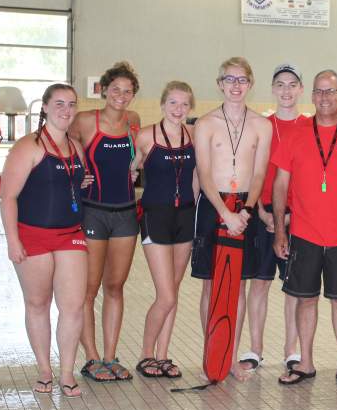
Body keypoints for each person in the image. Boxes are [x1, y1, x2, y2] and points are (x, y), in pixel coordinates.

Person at [273, 69, 337, 389]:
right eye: (319, 92)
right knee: (305, 300)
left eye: (331, 92)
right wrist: (279, 230)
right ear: (311, 95)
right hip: (304, 234)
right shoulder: (296, 134)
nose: (324, 98)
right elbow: (279, 186)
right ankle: (305, 361)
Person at [0, 83, 93, 397]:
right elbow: (9, 197)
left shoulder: (76, 146)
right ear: (44, 107)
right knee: (38, 304)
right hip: (33, 234)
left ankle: (66, 372)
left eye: (71, 104)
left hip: (70, 234)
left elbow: (71, 184)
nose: (66, 111)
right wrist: (13, 241)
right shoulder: (28, 146)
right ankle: (44, 369)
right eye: (59, 104)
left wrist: (82, 182)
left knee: (73, 307)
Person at [191, 57, 271, 381]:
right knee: (212, 284)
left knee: (237, 284)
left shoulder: (261, 125)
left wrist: (246, 212)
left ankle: (231, 357)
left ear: (250, 84)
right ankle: (212, 355)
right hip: (213, 205)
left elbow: (261, 171)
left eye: (242, 80)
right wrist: (225, 213)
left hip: (245, 207)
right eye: (230, 79)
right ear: (220, 84)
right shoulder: (206, 124)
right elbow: (204, 172)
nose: (236, 86)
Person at [70, 61, 141, 382]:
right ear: (104, 90)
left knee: (115, 287)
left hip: (126, 212)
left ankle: (111, 356)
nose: (121, 96)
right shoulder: (85, 121)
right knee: (89, 289)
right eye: (116, 90)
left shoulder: (134, 122)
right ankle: (92, 358)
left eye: (128, 91)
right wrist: (75, 175)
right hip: (93, 211)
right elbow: (61, 148)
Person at [131, 81, 198, 378]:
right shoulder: (145, 136)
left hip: (185, 216)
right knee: (166, 295)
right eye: (173, 103)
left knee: (174, 291)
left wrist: (196, 210)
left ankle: (163, 355)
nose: (178, 109)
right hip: (155, 216)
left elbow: (197, 176)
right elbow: (130, 171)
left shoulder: (194, 136)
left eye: (184, 104)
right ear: (162, 104)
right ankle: (146, 355)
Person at [253, 64, 309, 370]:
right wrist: (262, 212)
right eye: (280, 85)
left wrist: (290, 217)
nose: (286, 91)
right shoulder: (262, 126)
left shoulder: (310, 127)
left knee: (294, 287)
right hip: (263, 213)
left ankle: (292, 349)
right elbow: (255, 172)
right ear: (273, 89)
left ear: (300, 89)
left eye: (292, 85)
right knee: (259, 283)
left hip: (296, 217)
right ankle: (255, 348)